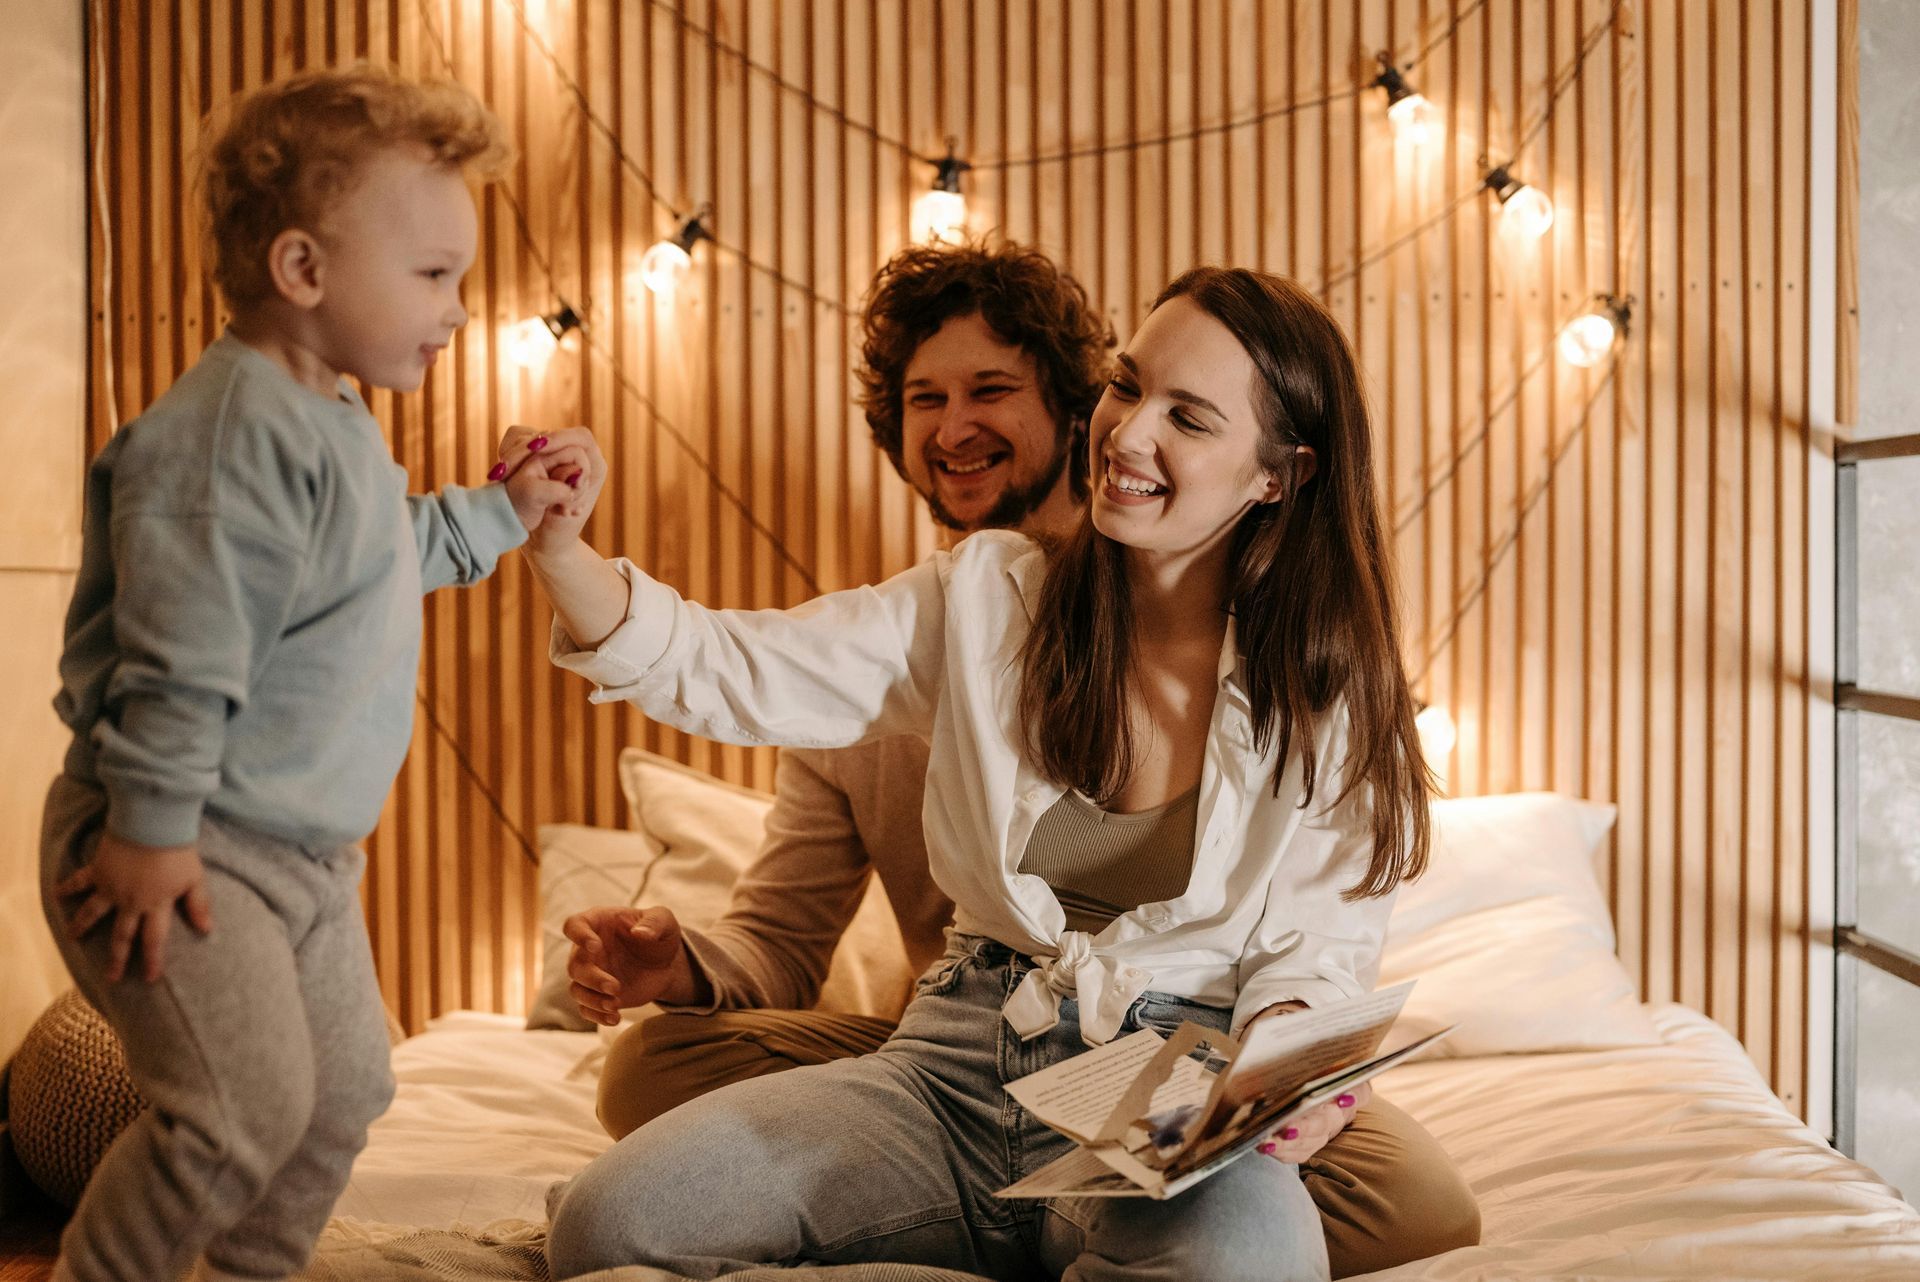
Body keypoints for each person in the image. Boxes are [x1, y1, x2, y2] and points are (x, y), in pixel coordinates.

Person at [542, 243, 1478, 1278]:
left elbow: (1315, 952)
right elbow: (736, 666)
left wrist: (1287, 1060)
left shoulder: (1330, 689)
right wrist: (561, 551)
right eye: (1129, 386)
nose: (1130, 430)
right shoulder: (984, 593)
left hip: (1166, 1085)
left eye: (1189, 417)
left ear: (1280, 474)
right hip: (951, 1068)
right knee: (608, 1224)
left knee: (1250, 1253)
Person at [38, 68, 588, 1282]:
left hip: (303, 861)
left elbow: (383, 553)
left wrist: (504, 512)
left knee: (343, 1095)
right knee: (236, 1114)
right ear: (302, 269)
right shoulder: (227, 434)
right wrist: (150, 829)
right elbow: (177, 658)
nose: (457, 310)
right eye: (434, 274)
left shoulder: (331, 418)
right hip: (181, 838)